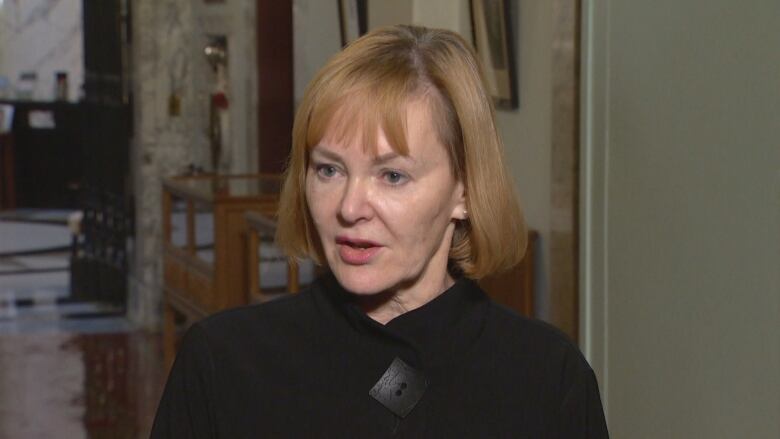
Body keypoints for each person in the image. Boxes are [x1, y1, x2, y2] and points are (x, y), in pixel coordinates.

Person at [151, 25, 608, 438]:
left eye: (392, 176)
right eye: (329, 169)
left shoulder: (548, 379)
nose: (350, 208)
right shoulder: (223, 364)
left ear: (466, 190)